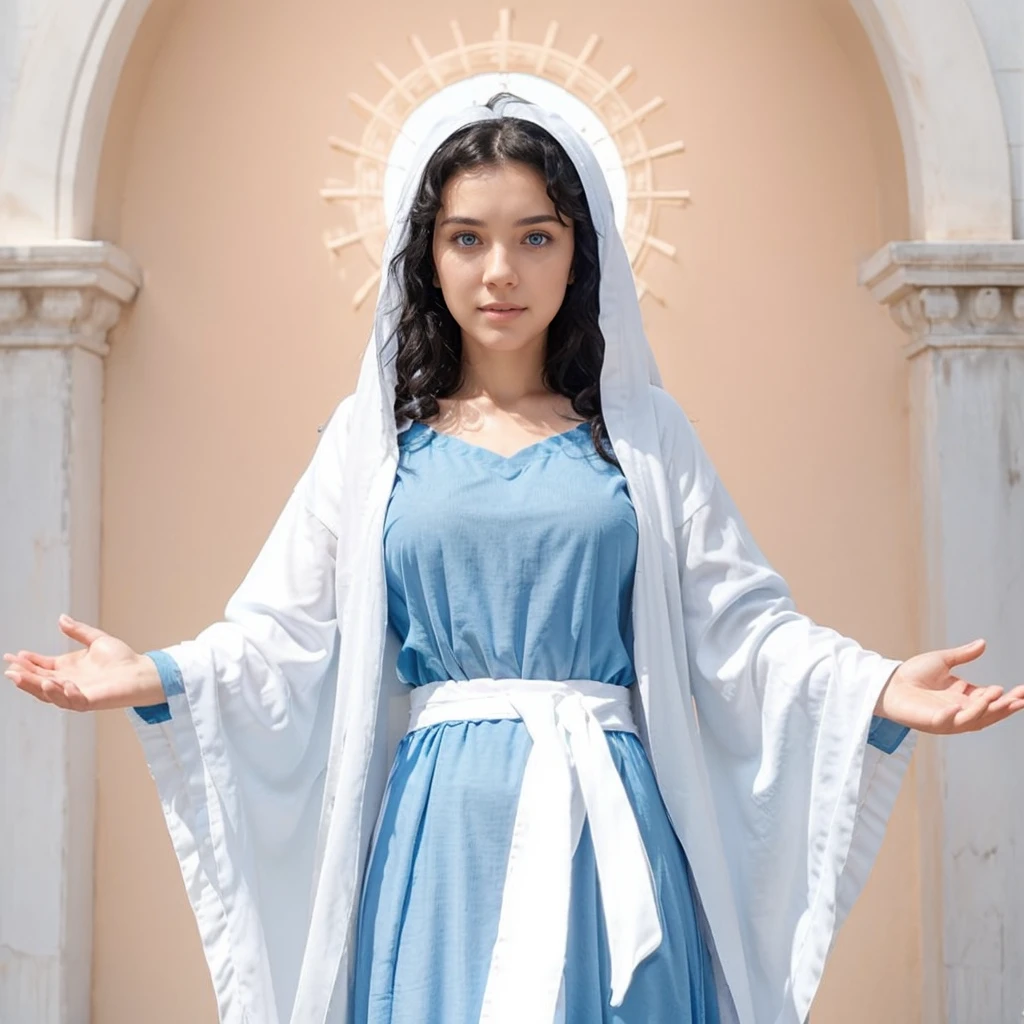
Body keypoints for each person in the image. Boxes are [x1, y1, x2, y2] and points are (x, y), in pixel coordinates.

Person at [5, 93, 1023, 1024]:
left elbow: (743, 626)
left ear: (579, 254)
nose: (501, 271)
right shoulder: (373, 450)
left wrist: (878, 687)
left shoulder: (643, 437)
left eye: (534, 236)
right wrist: (157, 673)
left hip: (607, 824)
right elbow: (282, 634)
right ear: (428, 257)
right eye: (468, 238)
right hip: (441, 833)